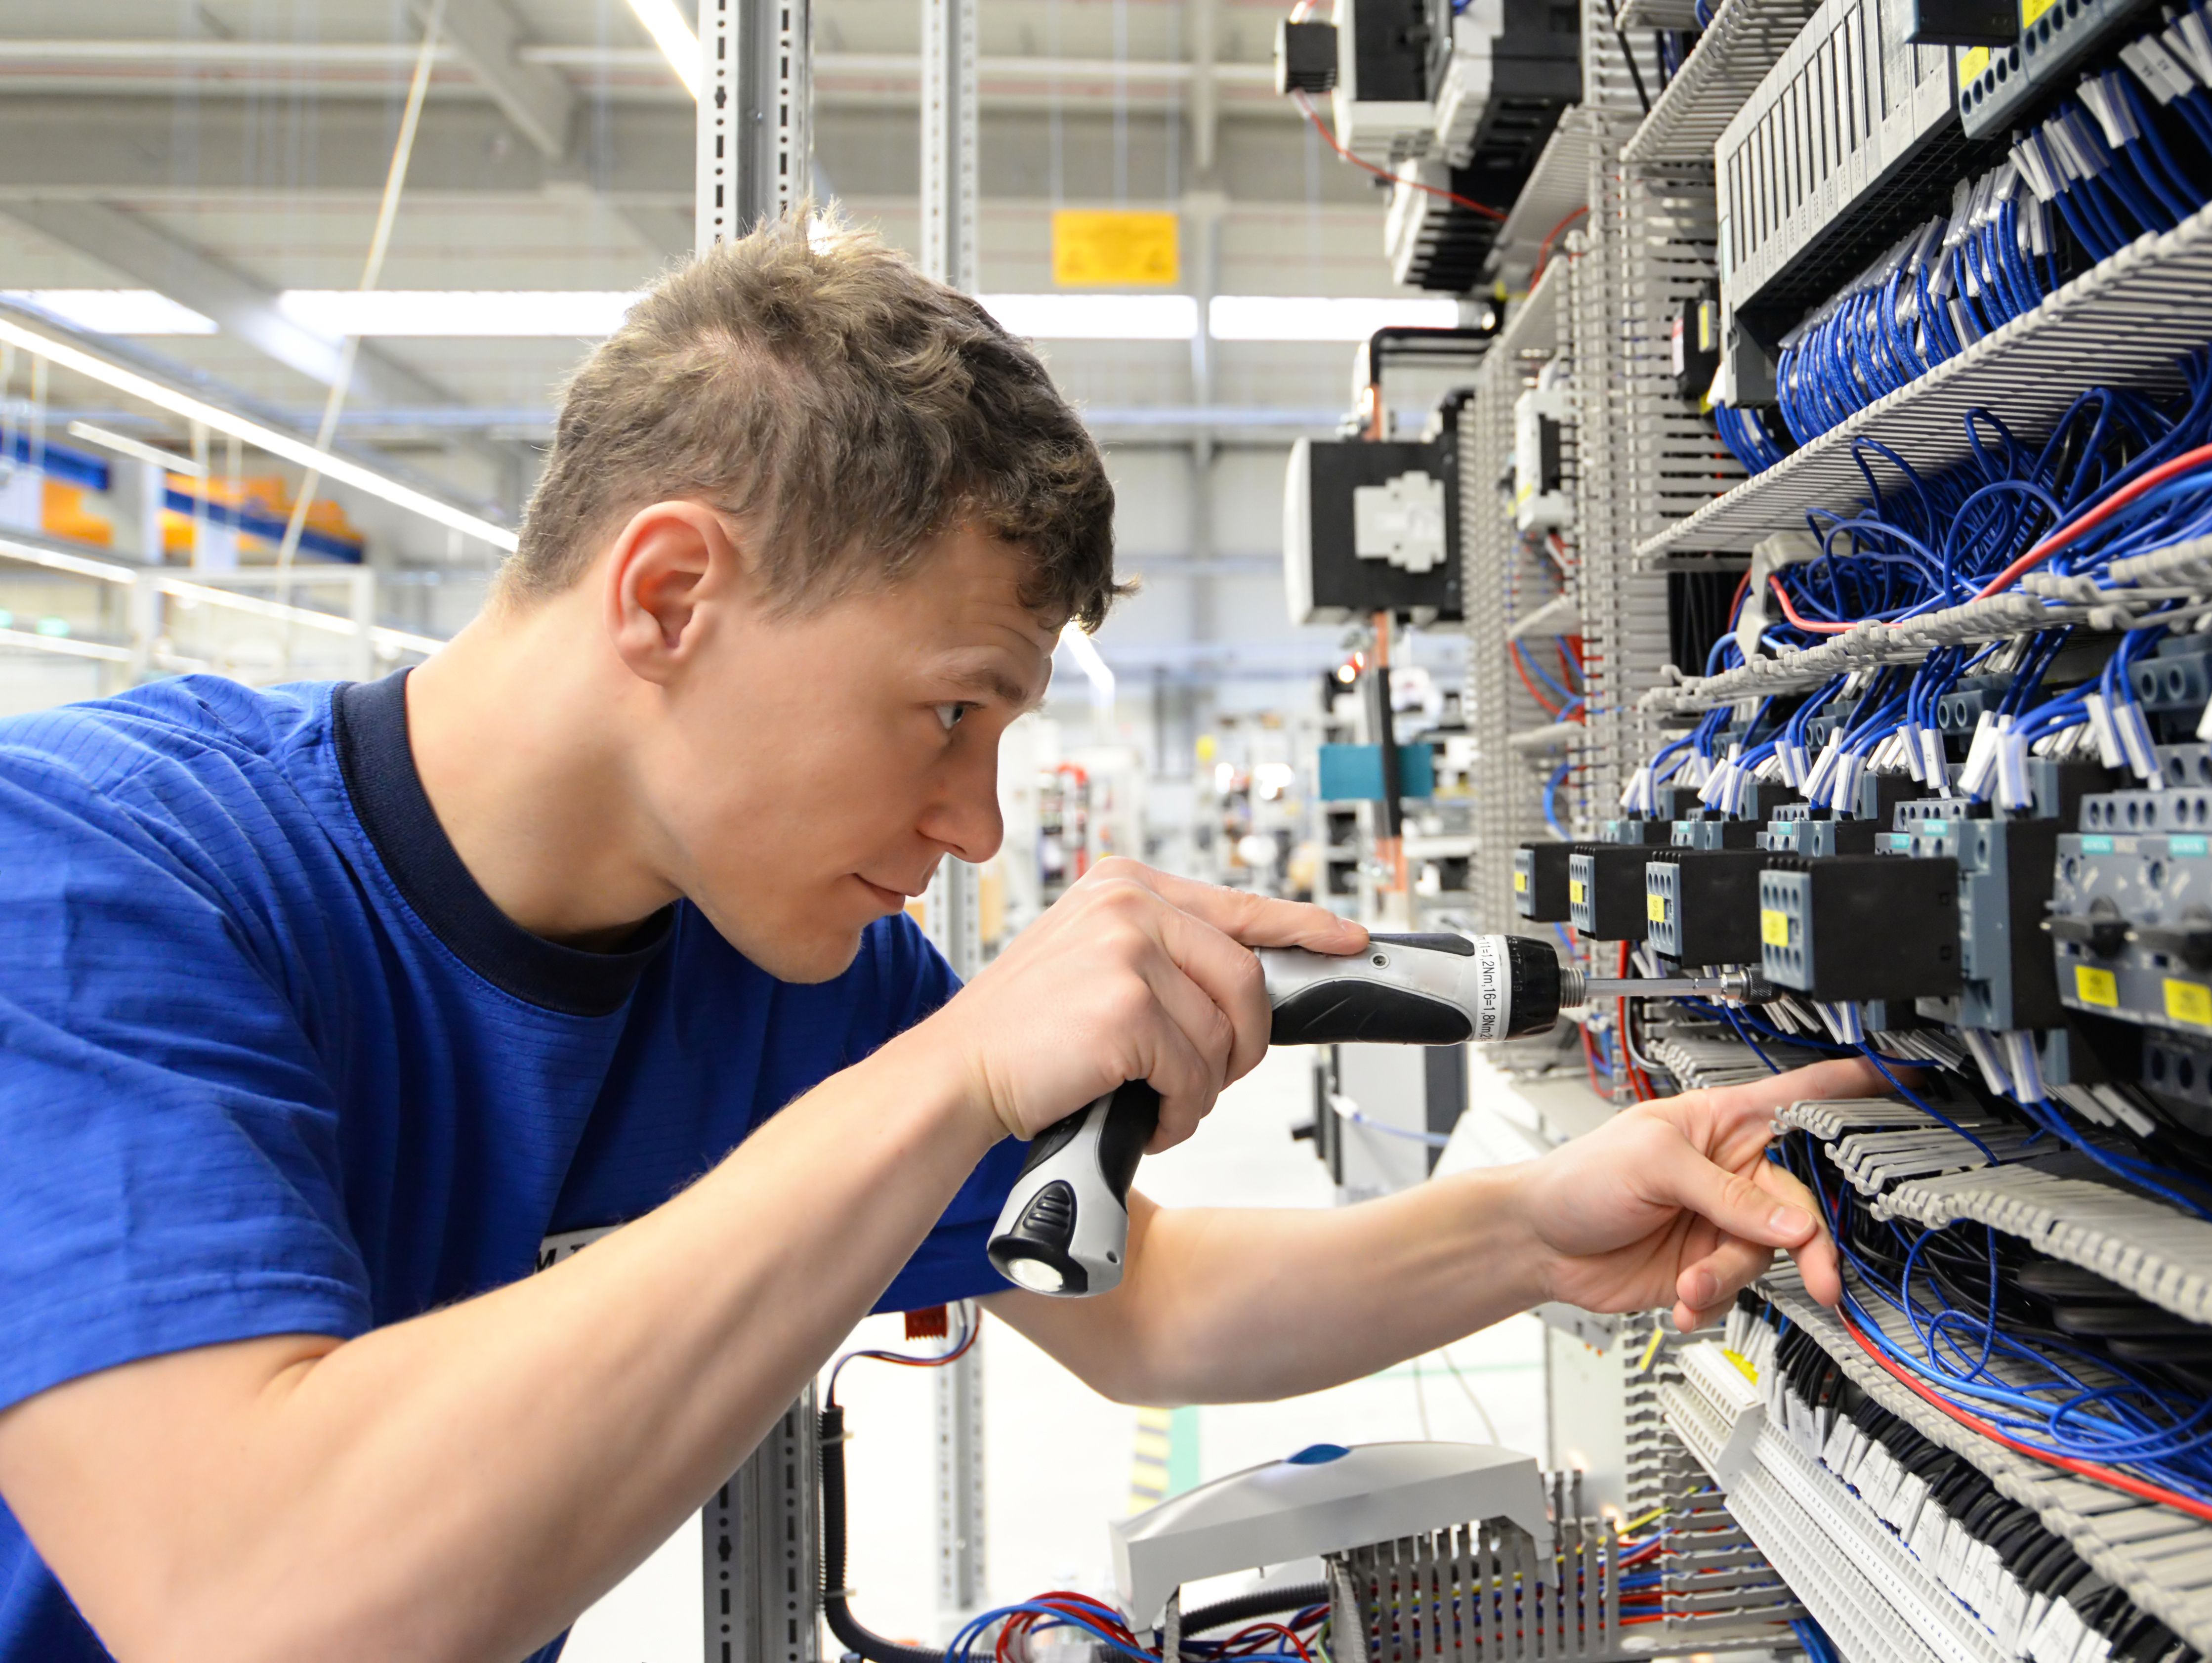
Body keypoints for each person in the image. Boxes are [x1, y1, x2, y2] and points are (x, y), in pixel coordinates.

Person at [0, 216, 1873, 1663]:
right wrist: (948, 1077)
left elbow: (1134, 1308)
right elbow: (253, 1606)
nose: (975, 823)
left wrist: (1531, 1232)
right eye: (949, 712)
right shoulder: (96, 876)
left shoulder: (775, 960)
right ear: (668, 595)